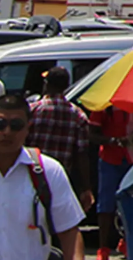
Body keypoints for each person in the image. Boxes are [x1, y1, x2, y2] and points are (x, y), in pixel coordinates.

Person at [0, 91, 86, 260]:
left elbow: (69, 231)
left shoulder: (48, 171)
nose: (7, 132)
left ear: (28, 128)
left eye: (16, 125)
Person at [26, 69, 94, 214]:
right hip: (60, 178)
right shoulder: (78, 115)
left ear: (46, 84)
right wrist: (86, 188)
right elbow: (82, 154)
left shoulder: (33, 110)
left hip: (31, 175)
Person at [91, 106, 133, 260]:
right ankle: (103, 249)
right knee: (106, 205)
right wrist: (112, 141)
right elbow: (92, 133)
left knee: (132, 202)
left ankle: (127, 242)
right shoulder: (102, 105)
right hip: (109, 159)